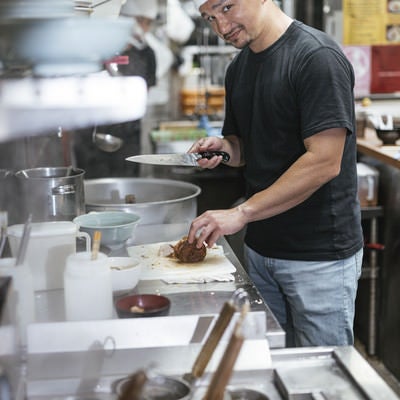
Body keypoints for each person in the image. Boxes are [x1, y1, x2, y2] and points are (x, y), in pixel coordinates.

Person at [187, 0, 364, 347]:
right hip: (262, 250)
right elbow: (248, 149)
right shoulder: (239, 68)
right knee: (271, 367)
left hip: (317, 256)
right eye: (209, 18)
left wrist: (241, 213)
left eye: (226, 8)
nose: (221, 28)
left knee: (319, 377)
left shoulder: (316, 57)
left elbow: (325, 161)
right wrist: (225, 149)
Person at [73, 0, 157, 178]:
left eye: (147, 22)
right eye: (139, 20)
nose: (143, 27)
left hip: (129, 135)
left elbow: (144, 92)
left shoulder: (146, 53)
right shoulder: (96, 47)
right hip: (91, 135)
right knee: (92, 183)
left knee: (129, 183)